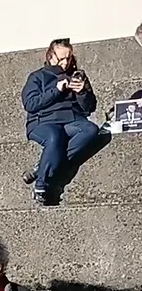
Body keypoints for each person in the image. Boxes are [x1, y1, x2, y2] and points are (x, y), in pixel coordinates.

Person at [21, 38, 108, 206]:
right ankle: (41, 186)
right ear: (50, 55)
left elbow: (89, 108)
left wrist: (82, 92)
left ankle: (42, 167)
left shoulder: (77, 75)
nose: (65, 62)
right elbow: (30, 104)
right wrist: (56, 90)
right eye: (61, 58)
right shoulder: (37, 77)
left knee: (90, 130)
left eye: (68, 58)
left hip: (72, 120)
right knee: (55, 136)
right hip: (43, 121)